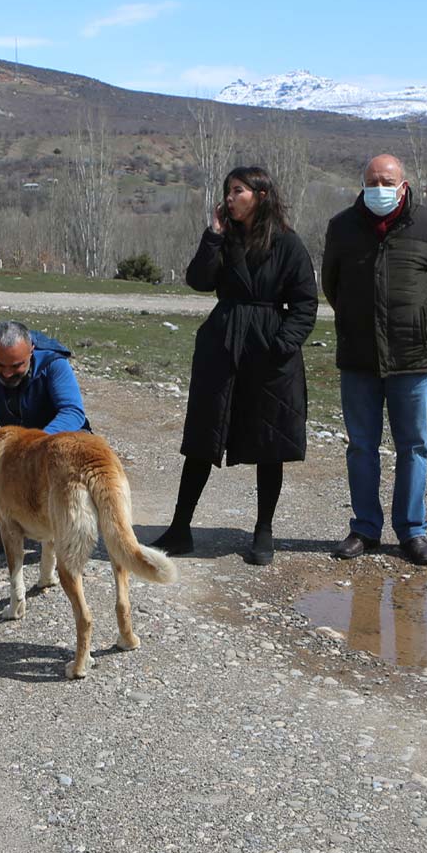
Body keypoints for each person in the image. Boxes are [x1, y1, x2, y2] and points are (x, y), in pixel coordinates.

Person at [153, 165, 317, 565]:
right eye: (227, 191)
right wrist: (213, 234)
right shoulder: (223, 239)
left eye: (238, 190)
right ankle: (180, 527)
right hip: (222, 345)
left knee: (270, 441)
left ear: (260, 196)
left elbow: (305, 302)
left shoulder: (288, 244)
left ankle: (264, 531)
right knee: (203, 436)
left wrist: (282, 344)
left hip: (268, 350)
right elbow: (198, 280)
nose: (229, 198)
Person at [321, 153, 427, 565]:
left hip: (412, 358)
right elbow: (332, 284)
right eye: (371, 181)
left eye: (386, 181)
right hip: (358, 357)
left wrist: (418, 320)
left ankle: (412, 531)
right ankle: (365, 528)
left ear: (403, 185)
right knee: (361, 446)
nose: (378, 188)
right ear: (362, 184)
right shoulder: (342, 227)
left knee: (414, 445)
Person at [0, 321, 90, 553]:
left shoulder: (54, 365)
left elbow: (73, 411)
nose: (7, 373)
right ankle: (5, 520)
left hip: (59, 442)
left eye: (16, 365)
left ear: (31, 351)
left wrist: (33, 447)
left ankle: (66, 522)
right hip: (17, 453)